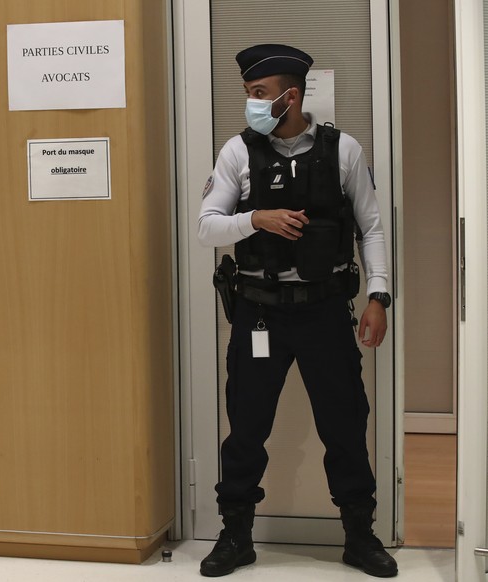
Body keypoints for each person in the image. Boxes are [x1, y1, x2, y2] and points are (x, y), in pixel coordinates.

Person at [196, 44, 397, 578]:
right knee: (246, 427)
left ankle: (359, 535)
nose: (252, 105)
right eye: (249, 95)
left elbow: (371, 228)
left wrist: (378, 295)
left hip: (326, 311)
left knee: (345, 424)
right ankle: (236, 535)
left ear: (291, 96)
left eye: (259, 95)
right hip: (258, 314)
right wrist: (255, 218)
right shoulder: (237, 153)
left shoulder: (343, 151)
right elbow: (205, 226)